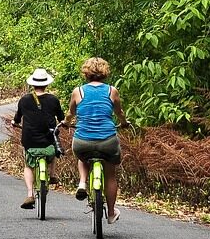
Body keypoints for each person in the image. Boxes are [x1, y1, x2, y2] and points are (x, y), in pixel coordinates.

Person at [66, 57, 129, 224]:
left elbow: (70, 114)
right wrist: (123, 123)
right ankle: (110, 213)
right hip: (107, 141)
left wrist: (66, 123)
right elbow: (119, 113)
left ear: (86, 73)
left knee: (82, 157)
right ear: (105, 72)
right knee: (110, 175)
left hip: (82, 142)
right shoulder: (112, 91)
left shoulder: (77, 92)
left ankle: (82, 183)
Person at [11, 67, 64, 209]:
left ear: (33, 84)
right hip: (48, 138)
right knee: (53, 150)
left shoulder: (24, 100)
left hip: (30, 140)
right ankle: (52, 174)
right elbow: (61, 118)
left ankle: (30, 194)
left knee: (28, 165)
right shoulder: (53, 99)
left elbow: (17, 118)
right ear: (47, 84)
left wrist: (14, 123)